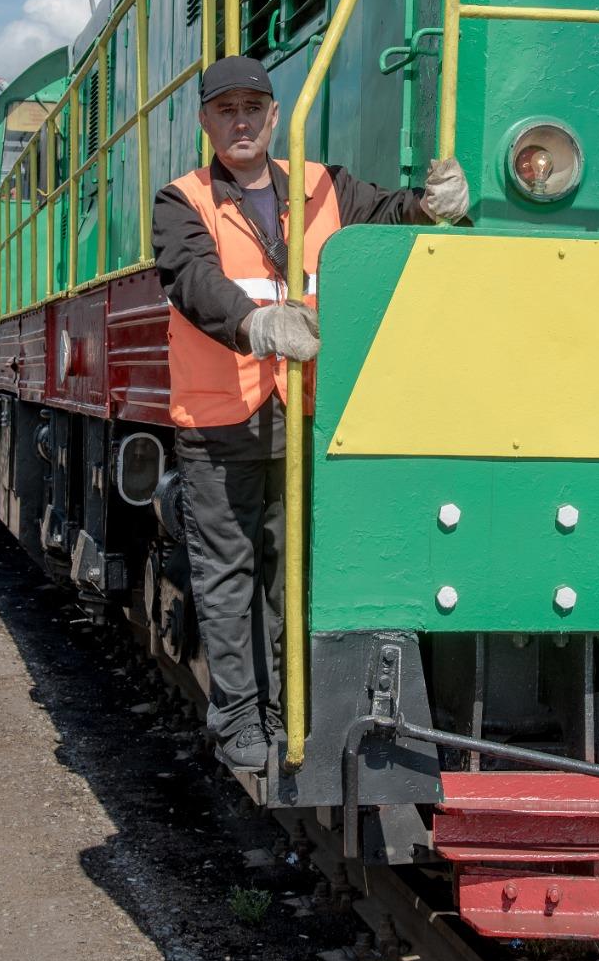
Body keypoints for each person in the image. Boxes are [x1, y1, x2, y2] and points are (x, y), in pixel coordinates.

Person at [152, 56, 469, 771]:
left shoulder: (326, 185)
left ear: (273, 115)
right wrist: (253, 326)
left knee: (290, 575)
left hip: (301, 416)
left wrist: (432, 204)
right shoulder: (182, 200)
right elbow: (192, 277)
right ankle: (238, 721)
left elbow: (388, 216)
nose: (241, 121)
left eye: (253, 108)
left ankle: (286, 711)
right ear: (205, 122)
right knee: (228, 575)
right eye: (225, 109)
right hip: (220, 419)